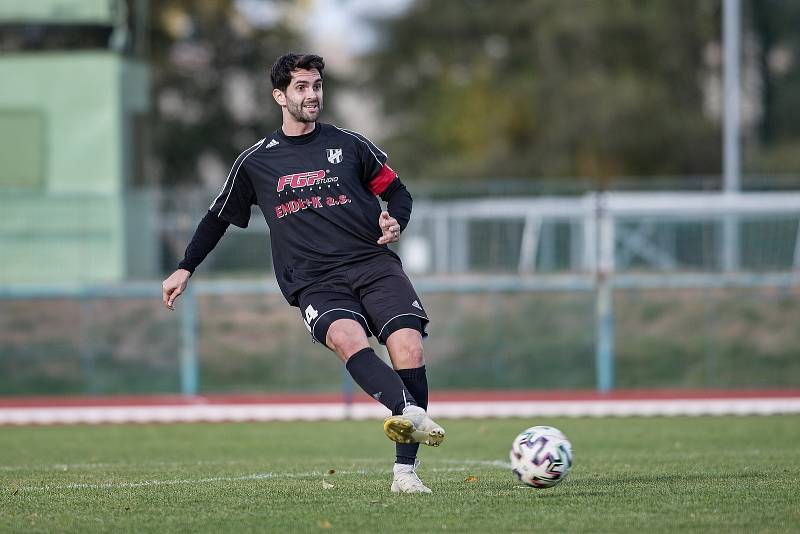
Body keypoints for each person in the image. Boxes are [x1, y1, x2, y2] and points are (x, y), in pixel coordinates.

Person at [161, 52, 445, 494]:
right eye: (301, 87)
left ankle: (405, 474)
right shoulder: (255, 162)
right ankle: (409, 410)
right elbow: (216, 217)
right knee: (346, 339)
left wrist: (396, 220)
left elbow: (398, 191)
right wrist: (185, 267)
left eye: (316, 86)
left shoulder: (350, 144)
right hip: (314, 279)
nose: (312, 95)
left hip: (373, 264)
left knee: (408, 346)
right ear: (279, 95)